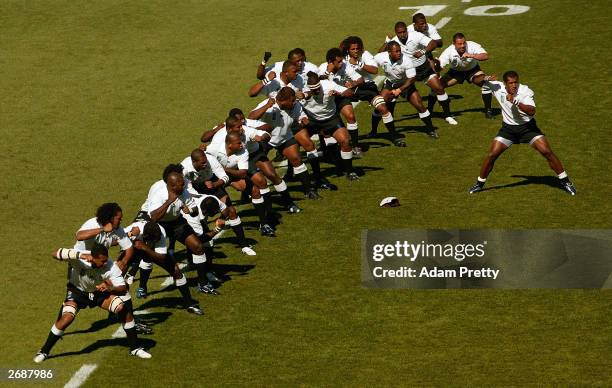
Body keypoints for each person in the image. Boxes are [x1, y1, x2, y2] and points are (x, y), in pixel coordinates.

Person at [33, 244, 151, 363]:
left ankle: (135, 348)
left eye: (106, 260)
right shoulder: (79, 257)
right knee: (67, 319)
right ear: (93, 257)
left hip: (98, 293)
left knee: (122, 308)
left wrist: (110, 289)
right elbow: (55, 253)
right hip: (77, 292)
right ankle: (44, 351)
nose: (105, 263)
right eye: (102, 261)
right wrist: (80, 255)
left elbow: (123, 288)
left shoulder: (110, 266)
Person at [468, 71, 577, 195]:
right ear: (504, 84)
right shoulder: (496, 86)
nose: (514, 85)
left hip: (528, 129)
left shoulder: (525, 91)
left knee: (547, 151)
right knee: (492, 155)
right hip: (508, 130)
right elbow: (474, 80)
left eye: (516, 82)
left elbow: (532, 111)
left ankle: (566, 182)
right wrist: (486, 78)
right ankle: (479, 184)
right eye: (511, 83)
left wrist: (515, 101)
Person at [139, 168, 206, 314]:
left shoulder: (183, 192)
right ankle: (142, 286)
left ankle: (202, 283)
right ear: (171, 185)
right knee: (149, 256)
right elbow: (153, 217)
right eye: (180, 184)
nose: (184, 186)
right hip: (159, 226)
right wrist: (169, 202)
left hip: (177, 223)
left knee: (198, 247)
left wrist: (190, 211)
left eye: (183, 183)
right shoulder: (160, 194)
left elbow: (194, 209)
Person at [248, 87, 329, 197]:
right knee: (256, 169)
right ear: (283, 100)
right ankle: (248, 192)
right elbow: (251, 117)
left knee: (296, 159)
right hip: (265, 139)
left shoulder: (295, 105)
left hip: (285, 136)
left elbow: (301, 116)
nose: (294, 102)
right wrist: (266, 106)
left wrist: (303, 120)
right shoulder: (270, 105)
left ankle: (309, 190)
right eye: (291, 100)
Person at [380, 21, 457, 126]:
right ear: (396, 33)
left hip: (423, 68)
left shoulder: (415, 35)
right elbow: (380, 54)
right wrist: (387, 42)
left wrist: (422, 52)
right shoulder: (394, 42)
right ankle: (391, 119)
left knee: (439, 88)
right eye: (399, 33)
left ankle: (448, 115)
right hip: (407, 72)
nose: (402, 34)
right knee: (394, 96)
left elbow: (433, 43)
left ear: (407, 30)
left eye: (404, 32)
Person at [181, 148, 257, 255]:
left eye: (206, 161)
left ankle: (244, 245)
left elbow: (224, 177)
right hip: (194, 190)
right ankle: (196, 254)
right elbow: (183, 186)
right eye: (202, 163)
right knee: (199, 220)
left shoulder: (211, 160)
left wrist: (215, 185)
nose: (205, 164)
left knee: (231, 211)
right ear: (194, 162)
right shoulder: (184, 168)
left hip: (212, 184)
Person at [206, 130, 276, 236]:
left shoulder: (243, 152)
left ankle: (264, 224)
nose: (242, 145)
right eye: (238, 143)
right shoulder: (213, 149)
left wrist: (224, 169)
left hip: (233, 175)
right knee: (217, 206)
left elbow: (243, 174)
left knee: (255, 192)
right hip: (215, 178)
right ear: (229, 145)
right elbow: (201, 157)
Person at [341, 36, 401, 150]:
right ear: (348, 49)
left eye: (357, 48)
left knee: (383, 108)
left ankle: (394, 137)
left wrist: (360, 64)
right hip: (351, 88)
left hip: (367, 87)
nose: (356, 51)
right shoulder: (343, 58)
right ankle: (354, 144)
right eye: (353, 49)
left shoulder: (365, 54)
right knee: (348, 115)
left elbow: (375, 70)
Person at [123, 220, 198, 306]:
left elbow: (162, 258)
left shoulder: (161, 233)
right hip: (134, 248)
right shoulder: (135, 227)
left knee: (176, 271)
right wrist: (130, 234)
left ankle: (190, 303)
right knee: (120, 271)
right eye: (154, 239)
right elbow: (116, 239)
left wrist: (145, 248)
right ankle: (120, 312)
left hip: (148, 248)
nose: (156, 240)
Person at [374, 41, 437, 140]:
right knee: (379, 106)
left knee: (419, 105)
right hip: (390, 83)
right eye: (396, 51)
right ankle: (373, 131)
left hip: (405, 83)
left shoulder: (406, 60)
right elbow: (373, 63)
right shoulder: (382, 57)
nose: (399, 53)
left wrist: (399, 89)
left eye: (400, 50)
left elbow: (411, 79)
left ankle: (431, 129)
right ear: (389, 52)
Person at [302, 72, 359, 180]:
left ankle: (349, 171)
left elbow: (350, 93)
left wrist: (339, 94)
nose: (318, 91)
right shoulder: (301, 88)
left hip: (331, 119)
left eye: (319, 88)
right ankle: (312, 175)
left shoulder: (328, 85)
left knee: (345, 141)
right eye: (314, 90)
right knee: (298, 144)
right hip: (312, 120)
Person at [433, 33, 493, 118]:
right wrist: (438, 65)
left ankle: (488, 111)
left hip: (473, 70)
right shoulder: (448, 51)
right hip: (456, 72)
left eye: (464, 43)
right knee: (436, 87)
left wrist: (471, 55)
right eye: (459, 44)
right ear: (454, 44)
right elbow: (438, 69)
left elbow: (485, 56)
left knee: (486, 84)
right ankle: (431, 110)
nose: (463, 46)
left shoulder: (472, 45)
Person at [74, 202, 134, 272]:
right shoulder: (93, 223)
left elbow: (129, 247)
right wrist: (103, 229)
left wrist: (123, 262)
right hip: (81, 261)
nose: (121, 221)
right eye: (119, 219)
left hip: (99, 262)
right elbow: (79, 236)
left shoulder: (117, 229)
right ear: (111, 218)